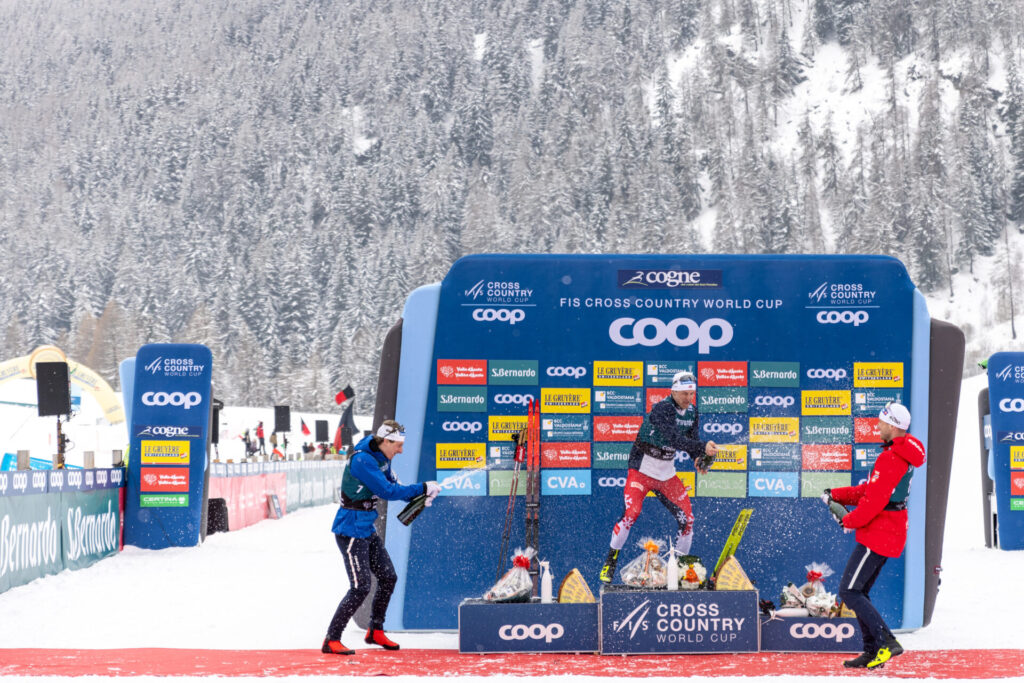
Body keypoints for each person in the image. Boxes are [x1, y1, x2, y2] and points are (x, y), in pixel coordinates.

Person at [322, 420, 441, 655]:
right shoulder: (363, 460)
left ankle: (375, 630)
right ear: (385, 441)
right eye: (398, 445)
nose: (401, 450)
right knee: (360, 587)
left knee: (388, 577)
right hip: (351, 531)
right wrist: (421, 488)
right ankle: (331, 639)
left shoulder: (382, 455)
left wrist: (422, 496)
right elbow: (387, 492)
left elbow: (394, 486)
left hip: (366, 528)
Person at [824, 401, 925, 669]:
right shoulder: (900, 453)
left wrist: (849, 519)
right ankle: (872, 650)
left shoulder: (890, 458)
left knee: (849, 590)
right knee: (859, 591)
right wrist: (836, 494)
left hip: (879, 534)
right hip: (889, 531)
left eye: (881, 422)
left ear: (892, 425)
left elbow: (873, 502)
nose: (877, 426)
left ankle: (887, 642)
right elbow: (870, 491)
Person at [600, 371, 718, 583]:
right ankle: (611, 560)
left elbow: (691, 440)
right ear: (672, 391)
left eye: (692, 394)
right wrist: (702, 447)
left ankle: (681, 571)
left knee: (688, 519)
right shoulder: (662, 409)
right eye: (684, 394)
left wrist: (699, 458)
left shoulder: (693, 412)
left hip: (666, 474)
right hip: (642, 471)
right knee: (632, 513)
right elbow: (674, 438)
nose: (688, 399)